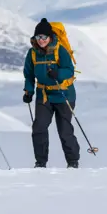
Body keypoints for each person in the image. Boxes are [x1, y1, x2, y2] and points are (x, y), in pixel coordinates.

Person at [23, 18, 80, 168]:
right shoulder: (32, 53)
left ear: (50, 37)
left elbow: (69, 70)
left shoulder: (60, 50)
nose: (41, 40)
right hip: (44, 96)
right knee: (39, 128)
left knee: (64, 130)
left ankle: (73, 162)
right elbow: (29, 74)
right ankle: (40, 163)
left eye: (44, 37)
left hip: (64, 94)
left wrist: (58, 74)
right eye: (38, 37)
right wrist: (28, 91)